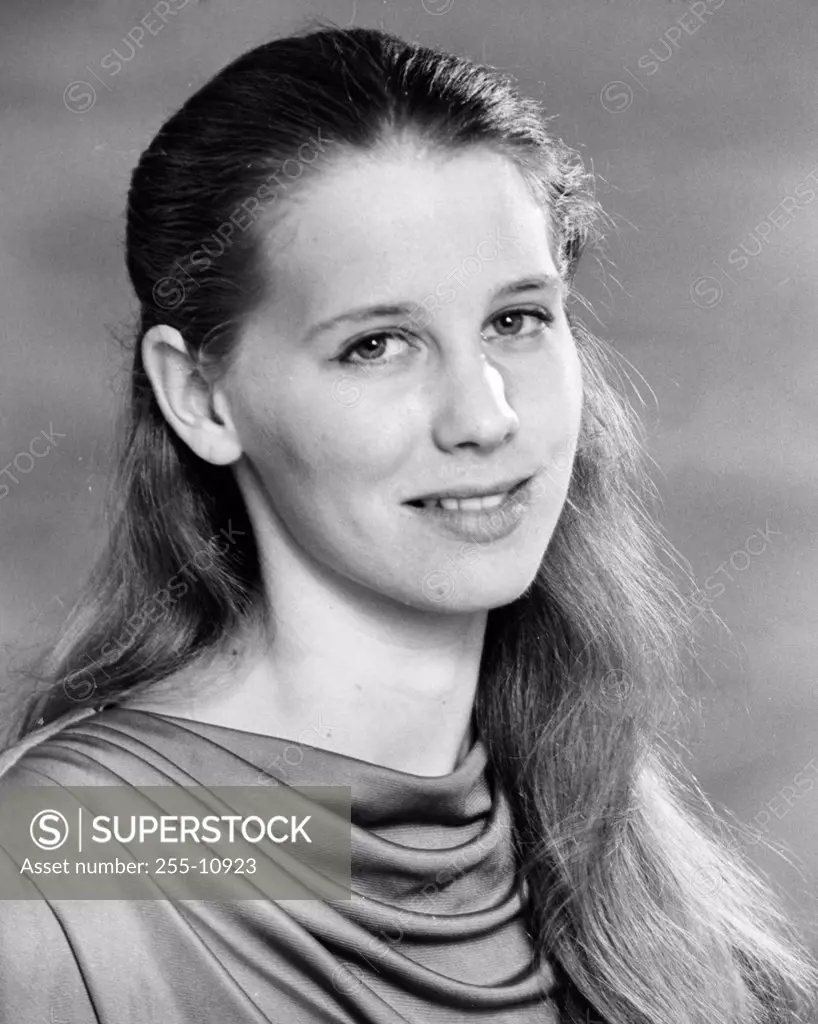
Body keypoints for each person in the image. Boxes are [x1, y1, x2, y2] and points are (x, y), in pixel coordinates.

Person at [0, 22, 815, 1024]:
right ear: (199, 397)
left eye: (516, 320)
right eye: (377, 343)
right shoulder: (66, 859)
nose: (483, 417)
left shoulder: (613, 852)